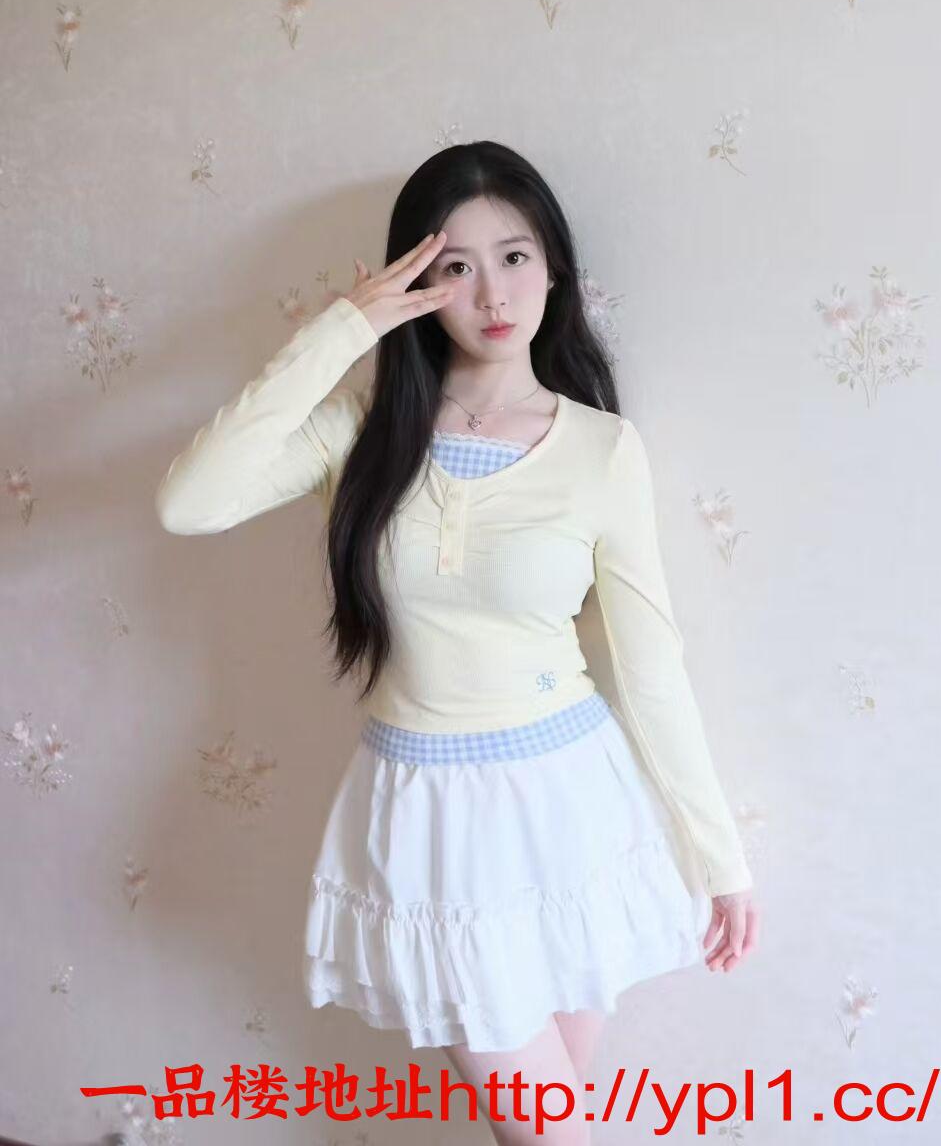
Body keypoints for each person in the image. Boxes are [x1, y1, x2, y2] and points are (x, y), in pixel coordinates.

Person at [155, 141, 760, 1145]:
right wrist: (345, 327)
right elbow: (190, 502)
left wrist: (719, 857)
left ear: (553, 267)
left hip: (570, 805)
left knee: (544, 1129)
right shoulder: (362, 431)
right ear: (417, 283)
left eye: (514, 257)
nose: (491, 293)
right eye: (455, 266)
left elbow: (650, 667)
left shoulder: (601, 448)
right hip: (432, 819)